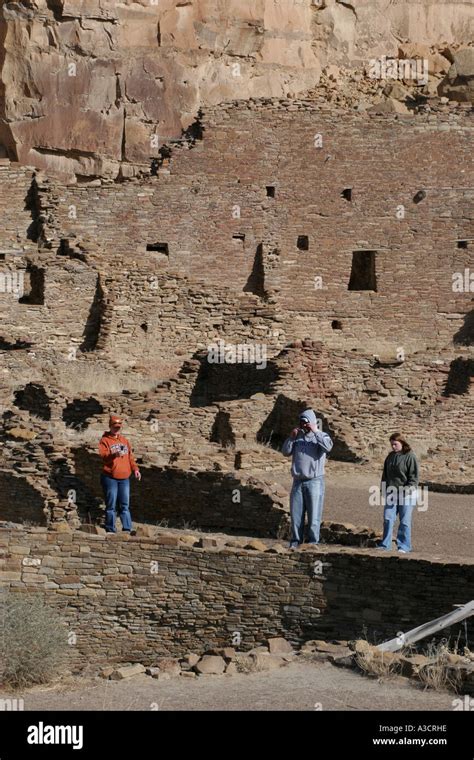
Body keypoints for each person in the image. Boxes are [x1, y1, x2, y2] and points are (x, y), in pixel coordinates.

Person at [282, 409, 333, 549]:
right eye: (301, 422)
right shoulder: (297, 437)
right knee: (296, 514)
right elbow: (285, 452)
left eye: (306, 422)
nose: (304, 425)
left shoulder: (322, 436)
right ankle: (295, 541)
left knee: (314, 514)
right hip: (298, 480)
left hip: (314, 481)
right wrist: (291, 438)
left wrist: (316, 431)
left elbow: (328, 447)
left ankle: (312, 543)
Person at [99, 415, 141, 533]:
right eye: (114, 426)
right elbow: (103, 457)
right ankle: (110, 529)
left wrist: (135, 469)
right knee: (111, 505)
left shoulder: (124, 440)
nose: (117, 429)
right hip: (110, 477)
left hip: (124, 477)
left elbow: (130, 457)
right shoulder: (105, 440)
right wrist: (114, 455)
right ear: (110, 426)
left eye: (119, 427)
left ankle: (127, 528)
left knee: (124, 505)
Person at [378, 432, 419, 553]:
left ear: (402, 443)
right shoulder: (390, 457)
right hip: (391, 493)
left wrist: (406, 490)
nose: (393, 447)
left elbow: (414, 478)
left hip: (407, 495)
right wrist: (383, 489)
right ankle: (385, 545)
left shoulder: (410, 456)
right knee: (388, 519)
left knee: (405, 521)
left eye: (395, 444)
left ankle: (404, 546)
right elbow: (385, 475)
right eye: (391, 445)